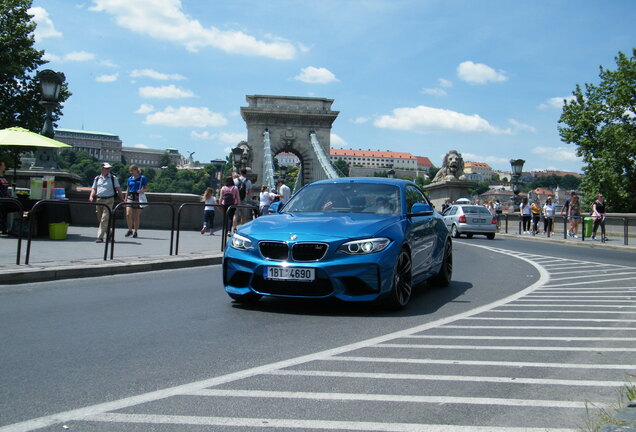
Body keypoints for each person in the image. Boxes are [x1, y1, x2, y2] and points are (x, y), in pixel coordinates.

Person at [89, 162, 124, 243]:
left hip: (109, 200)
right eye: (106, 168)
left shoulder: (113, 178)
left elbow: (118, 189)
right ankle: (110, 234)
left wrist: (122, 199)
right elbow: (94, 188)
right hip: (99, 200)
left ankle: (100, 237)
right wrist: (91, 196)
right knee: (100, 219)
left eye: (109, 168)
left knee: (104, 219)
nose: (108, 170)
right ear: (102, 169)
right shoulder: (97, 178)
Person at [123, 164, 148, 238]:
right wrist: (125, 198)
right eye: (130, 171)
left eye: (132, 170)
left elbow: (146, 188)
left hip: (138, 197)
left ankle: (136, 231)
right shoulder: (129, 178)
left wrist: (141, 190)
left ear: (136, 170)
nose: (131, 172)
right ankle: (130, 230)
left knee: (136, 216)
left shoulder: (142, 178)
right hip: (130, 196)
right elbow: (128, 188)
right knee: (128, 214)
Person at [0, 160, 10, 234]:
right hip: (1, 199)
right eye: (3, 165)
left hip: (6, 199)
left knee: (4, 213)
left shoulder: (3, 177)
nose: (5, 167)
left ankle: (4, 228)